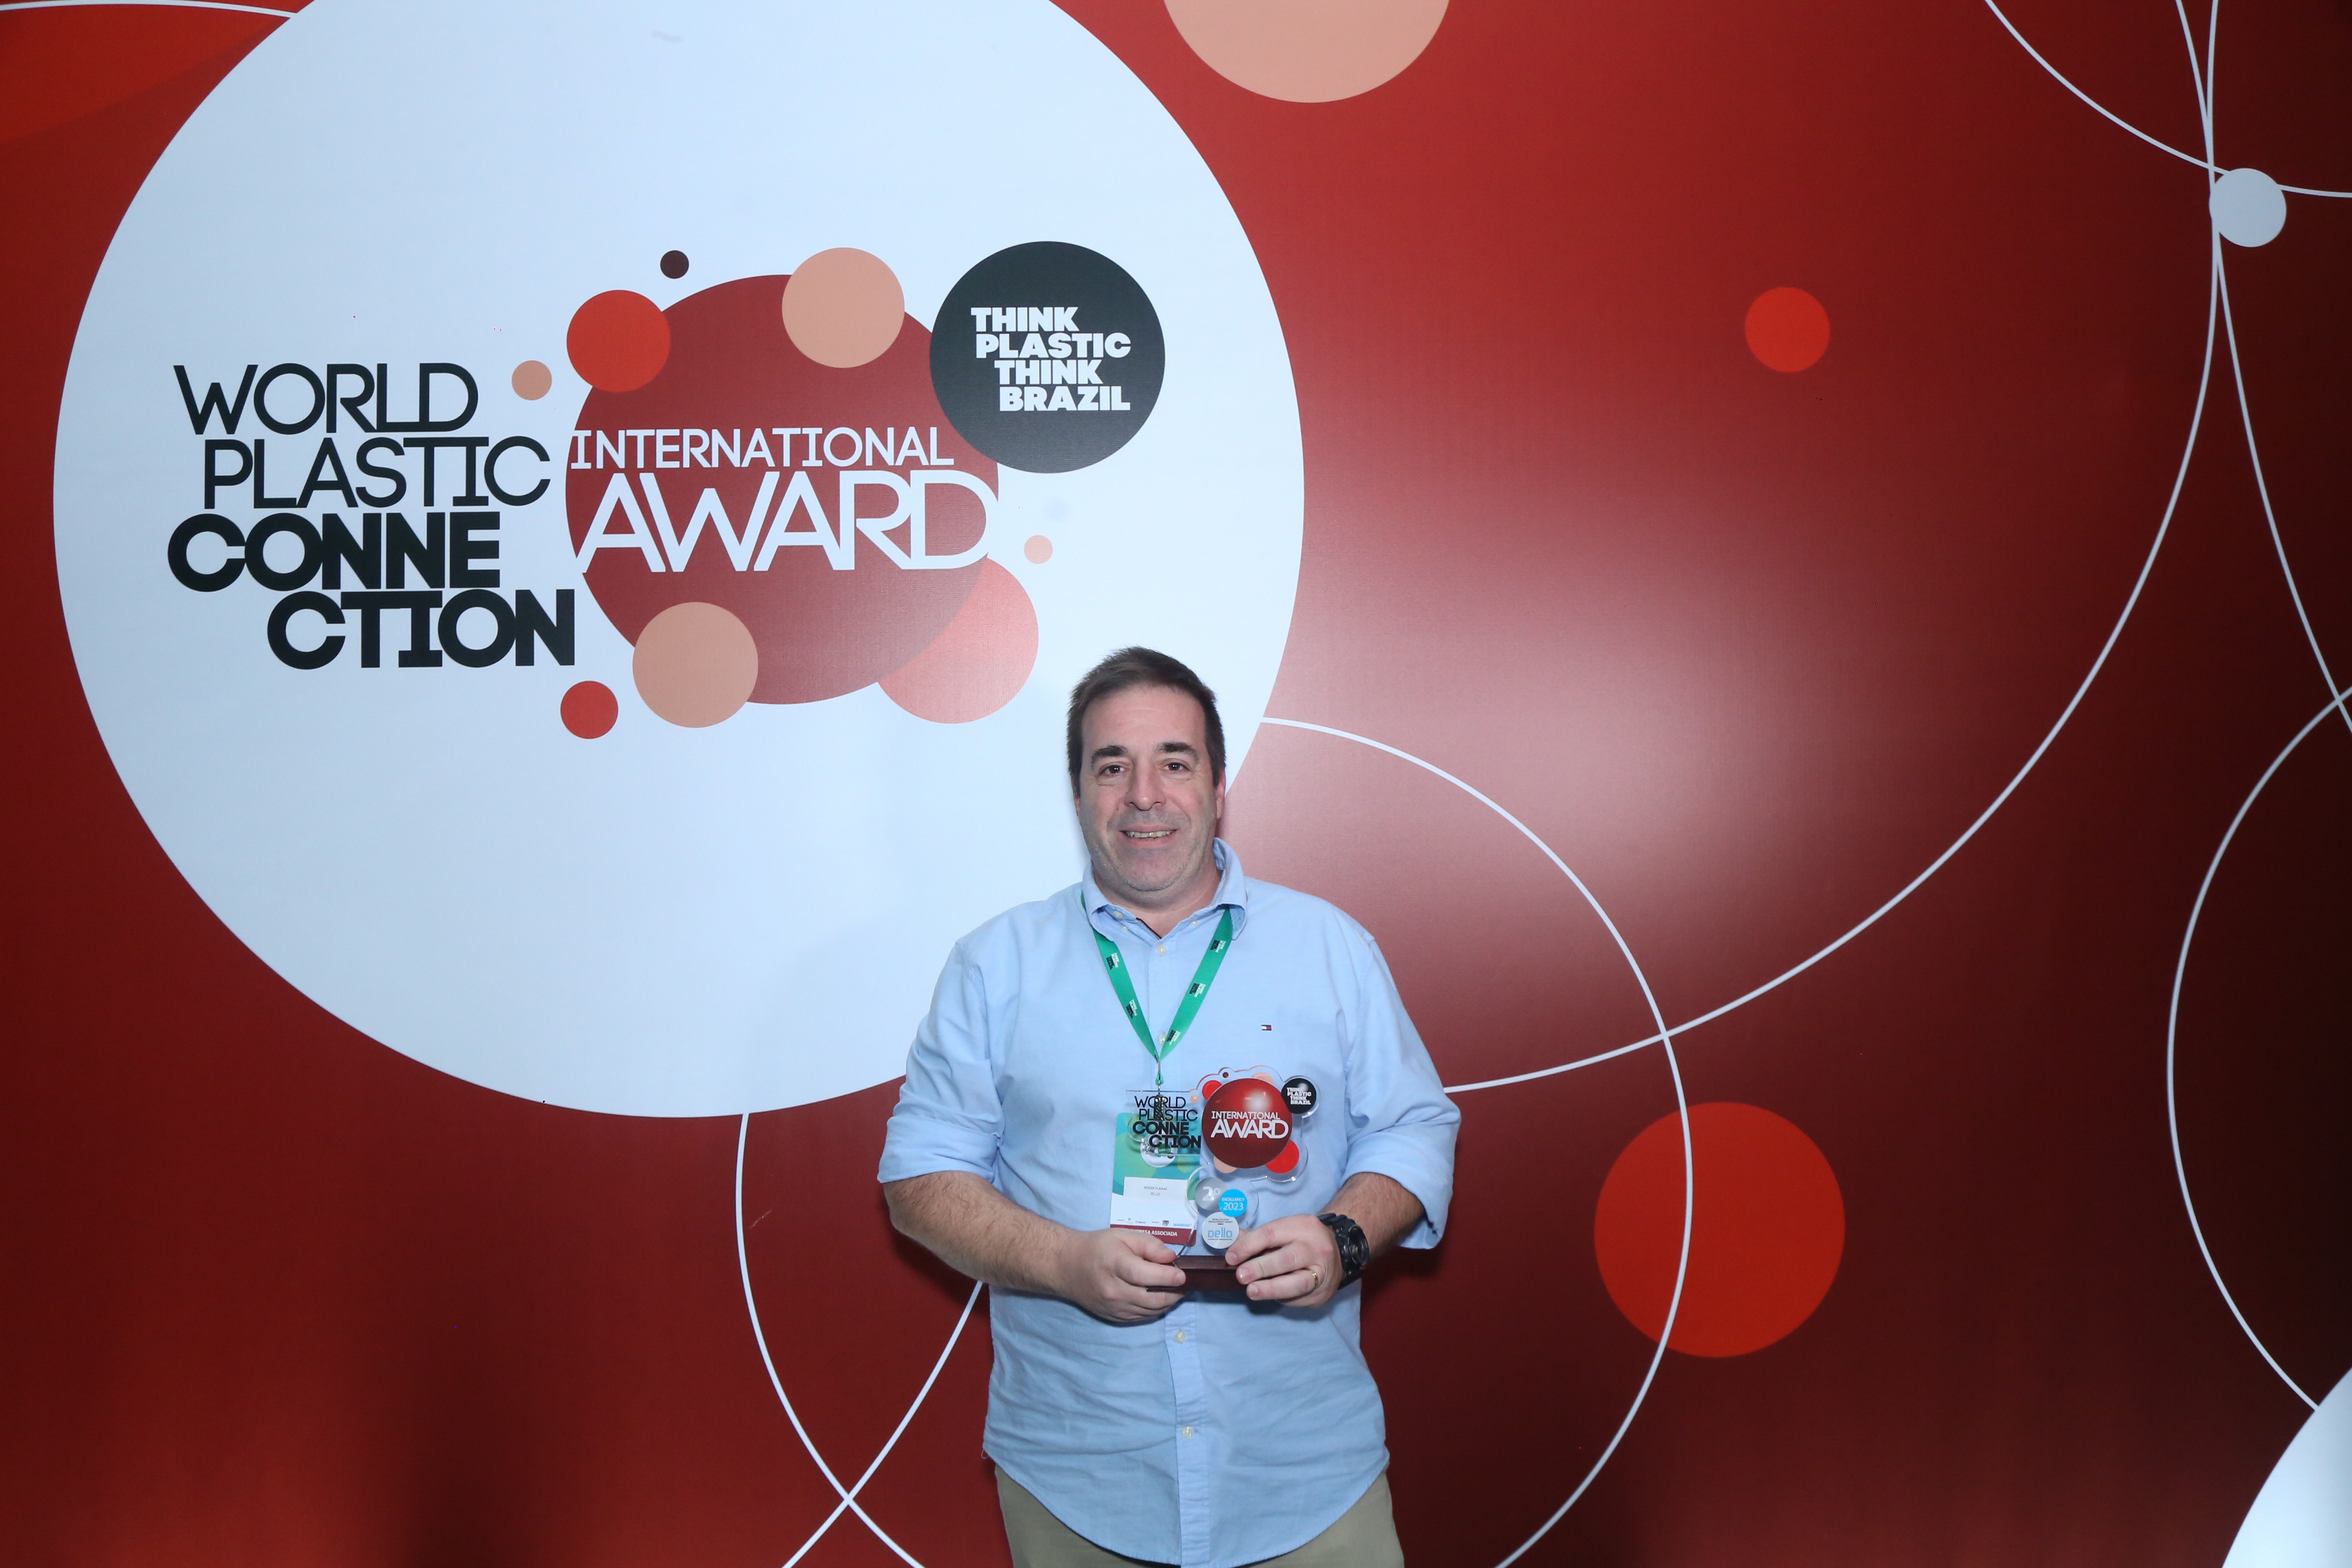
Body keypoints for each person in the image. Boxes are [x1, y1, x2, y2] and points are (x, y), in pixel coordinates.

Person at [879, 647, 1458, 1568]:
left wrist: (1343, 1238)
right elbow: (920, 1176)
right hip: (1078, 1476)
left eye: (1174, 762)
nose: (1144, 795)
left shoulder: (1329, 946)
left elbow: (1414, 1126)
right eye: (1112, 765)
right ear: (1078, 792)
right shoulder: (995, 964)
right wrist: (1064, 1262)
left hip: (1305, 1474)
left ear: (1218, 787)